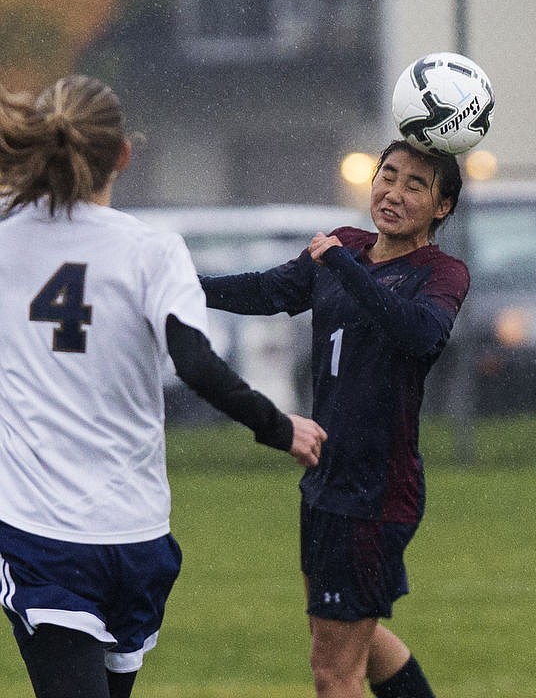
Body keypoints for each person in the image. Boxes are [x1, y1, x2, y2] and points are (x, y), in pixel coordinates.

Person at [0, 75, 327, 698]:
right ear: (123, 154)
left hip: (43, 535)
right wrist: (280, 427)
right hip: (136, 537)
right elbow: (196, 364)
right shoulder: (153, 251)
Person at [199, 139, 470, 698]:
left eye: (415, 185)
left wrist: (344, 265)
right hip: (326, 476)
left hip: (375, 489)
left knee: (332, 669)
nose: (393, 192)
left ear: (442, 207)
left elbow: (418, 334)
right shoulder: (344, 248)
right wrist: (181, 286)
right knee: (356, 641)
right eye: (387, 175)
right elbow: (268, 290)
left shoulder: (441, 273)